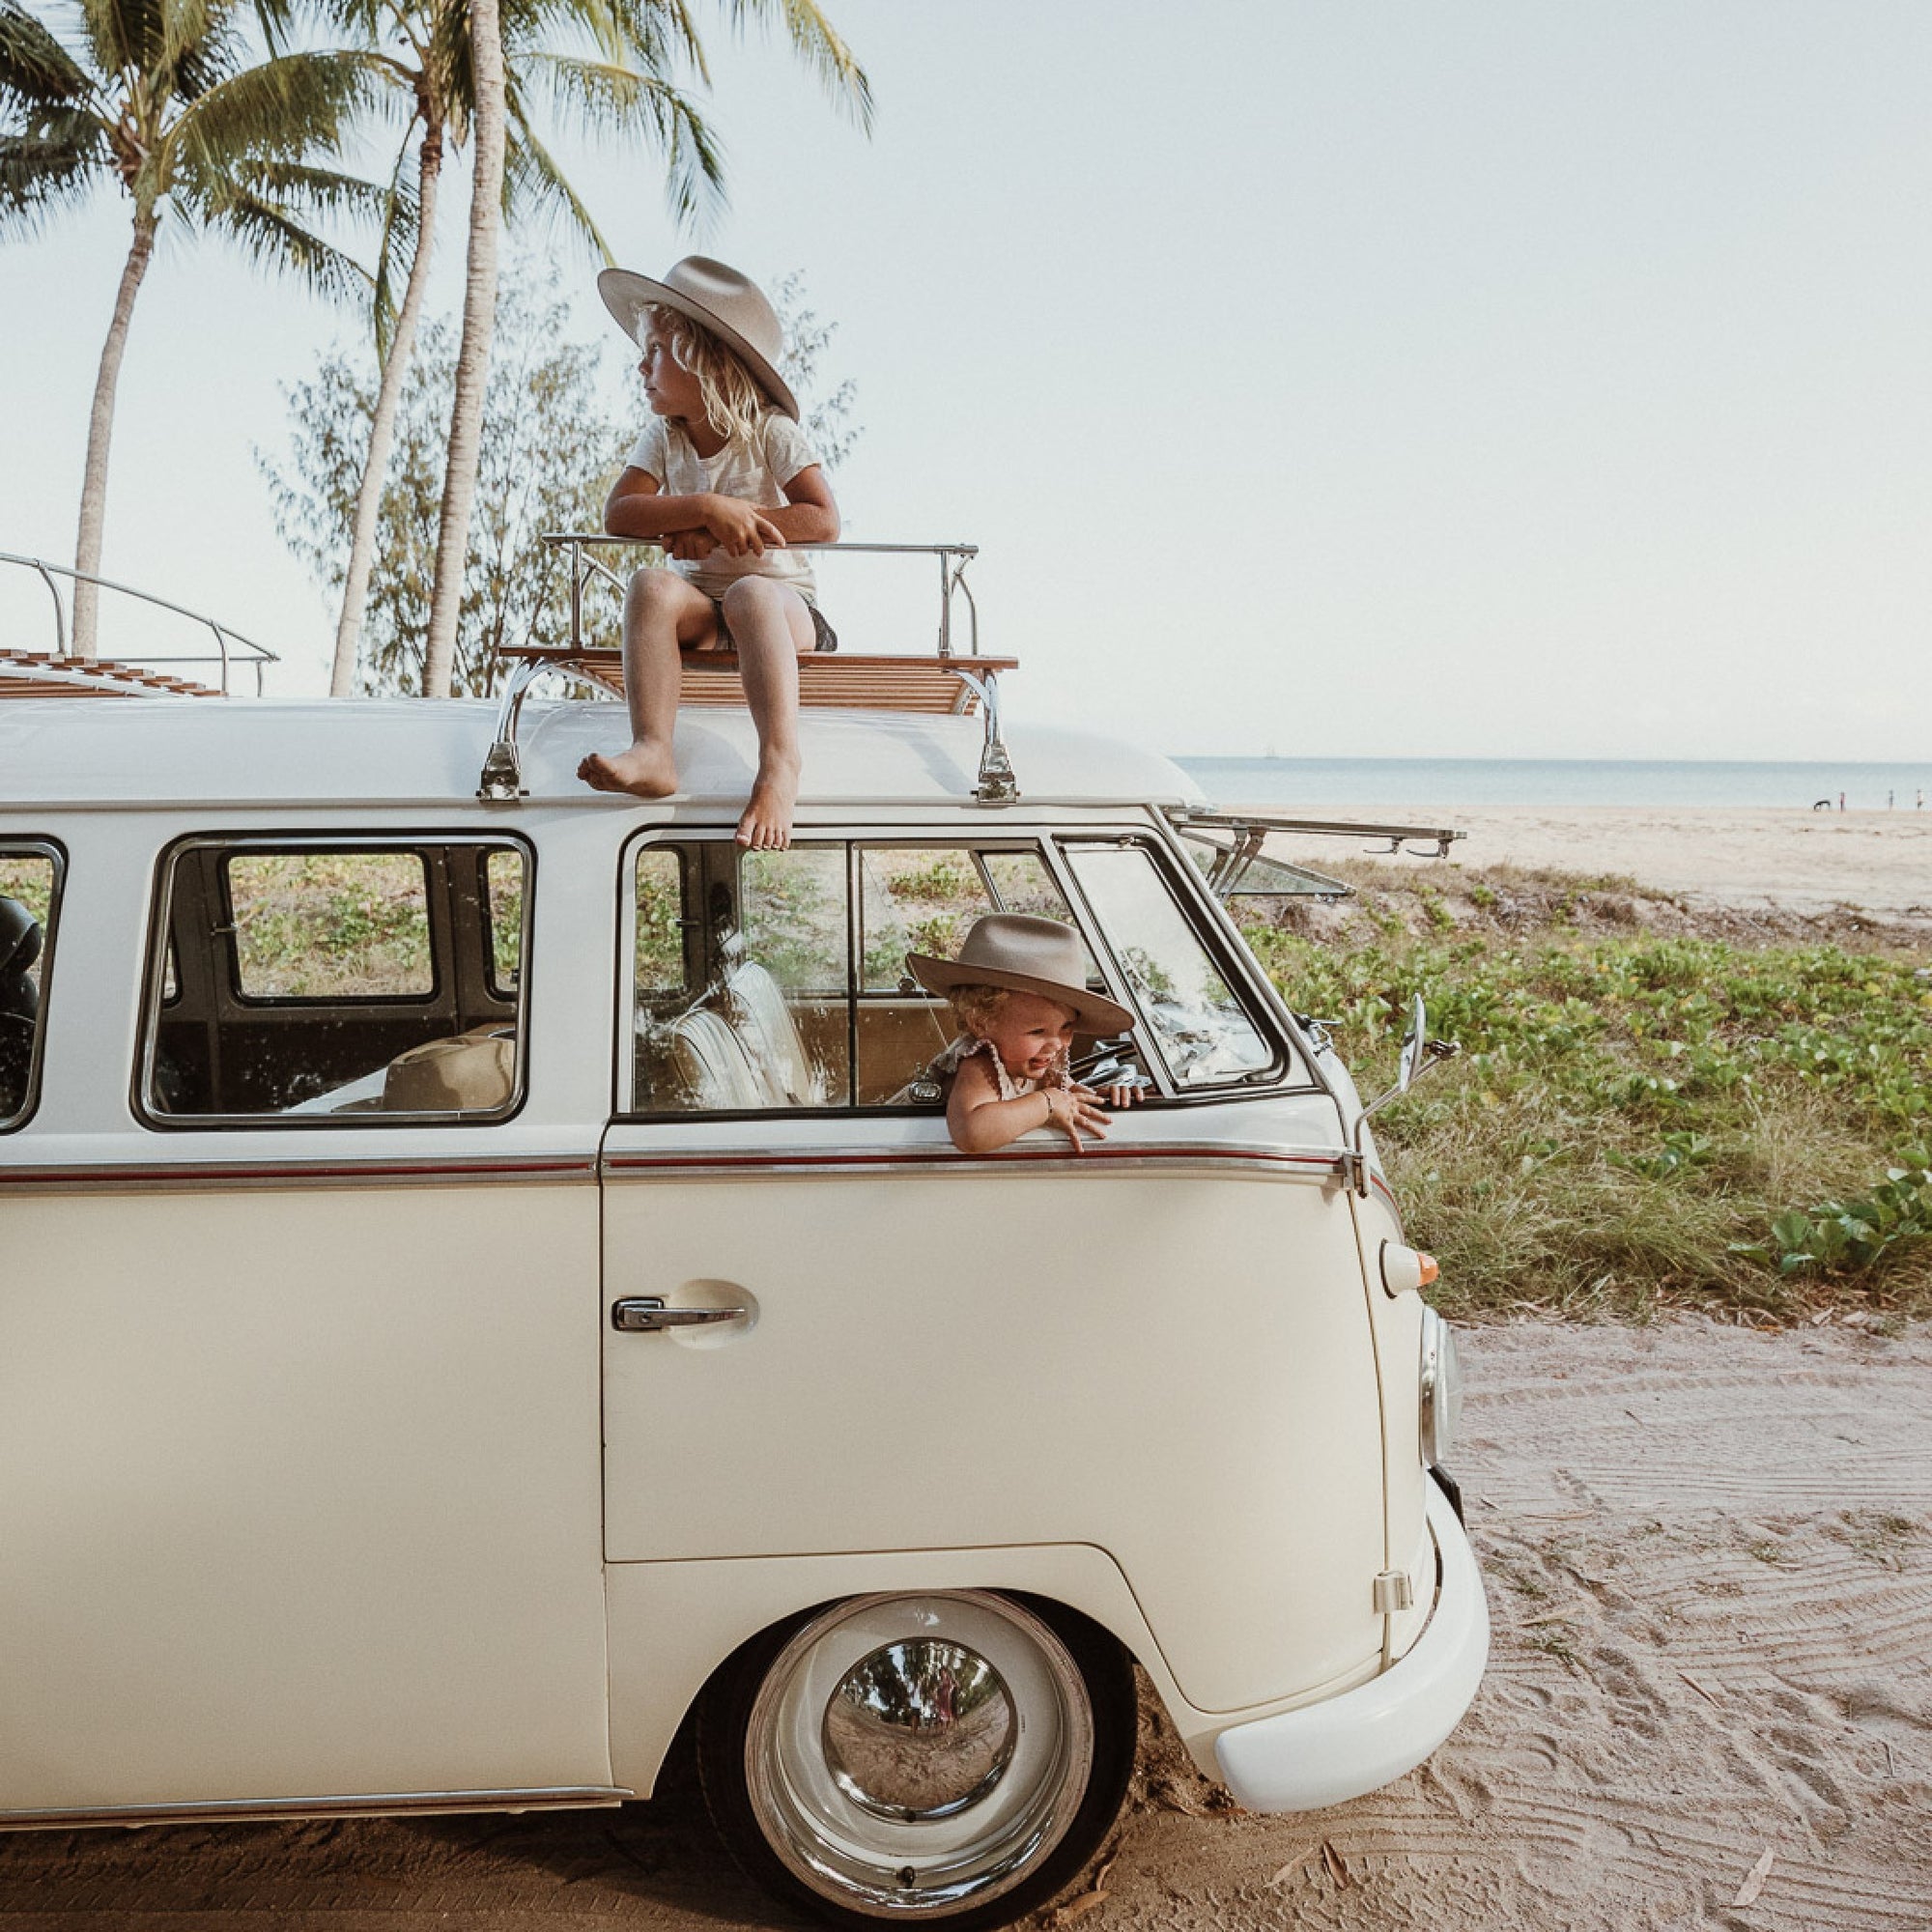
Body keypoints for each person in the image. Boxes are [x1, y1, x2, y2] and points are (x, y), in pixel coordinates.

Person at [578, 257, 840, 849]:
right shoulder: (664, 435)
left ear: (704, 361)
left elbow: (823, 519)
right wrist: (703, 507)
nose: (641, 366)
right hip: (704, 608)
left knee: (750, 593)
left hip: (782, 609)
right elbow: (620, 513)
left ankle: (779, 763)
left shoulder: (770, 430)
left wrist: (728, 528)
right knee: (651, 584)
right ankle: (653, 749)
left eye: (656, 351)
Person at [905, 914, 1143, 1153]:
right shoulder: (980, 1064)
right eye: (1037, 1031)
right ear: (981, 1023)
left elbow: (1069, 1098)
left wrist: (1107, 1098)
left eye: (1066, 1027)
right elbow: (970, 1134)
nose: (1055, 1044)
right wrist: (1046, 1103)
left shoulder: (1037, 1063)